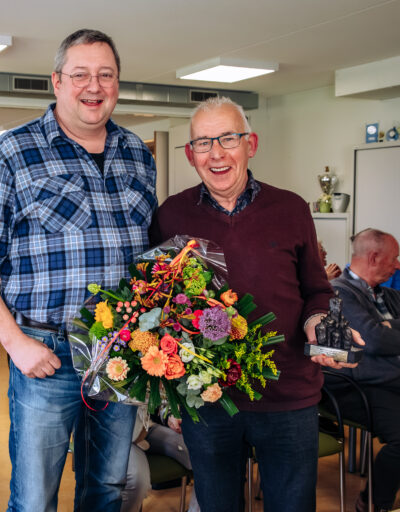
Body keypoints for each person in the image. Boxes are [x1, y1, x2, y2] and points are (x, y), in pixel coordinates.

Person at [0, 29, 158, 510]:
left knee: (107, 486)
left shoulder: (136, 154)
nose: (94, 86)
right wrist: (15, 344)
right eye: (80, 74)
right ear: (57, 81)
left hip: (120, 353)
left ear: (118, 83)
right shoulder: (11, 154)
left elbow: (148, 257)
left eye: (105, 75)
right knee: (34, 496)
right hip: (46, 353)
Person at [152, 96, 363, 512]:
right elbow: (158, 303)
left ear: (251, 143)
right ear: (191, 155)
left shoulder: (291, 208)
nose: (216, 153)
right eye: (203, 142)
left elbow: (316, 290)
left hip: (288, 396)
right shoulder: (171, 215)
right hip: (207, 398)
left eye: (228, 138)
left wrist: (320, 325)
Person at [326, 229, 400, 512]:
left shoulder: (387, 295)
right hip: (357, 387)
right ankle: (373, 503)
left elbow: (379, 337)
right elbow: (374, 339)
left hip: (388, 381)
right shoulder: (339, 293)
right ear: (374, 257)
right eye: (394, 259)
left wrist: (385, 329)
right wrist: (382, 332)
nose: (397, 265)